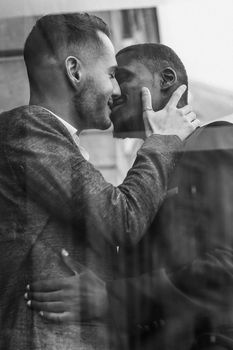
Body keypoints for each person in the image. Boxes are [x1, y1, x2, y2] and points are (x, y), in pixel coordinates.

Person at [0, 14, 198, 350]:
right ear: (75, 72)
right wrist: (164, 140)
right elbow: (120, 220)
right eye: (111, 75)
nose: (118, 90)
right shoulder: (28, 127)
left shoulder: (57, 139)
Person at [26, 43, 233, 350]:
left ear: (165, 79)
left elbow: (227, 262)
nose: (112, 90)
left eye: (120, 76)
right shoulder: (153, 170)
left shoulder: (215, 139)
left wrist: (112, 296)